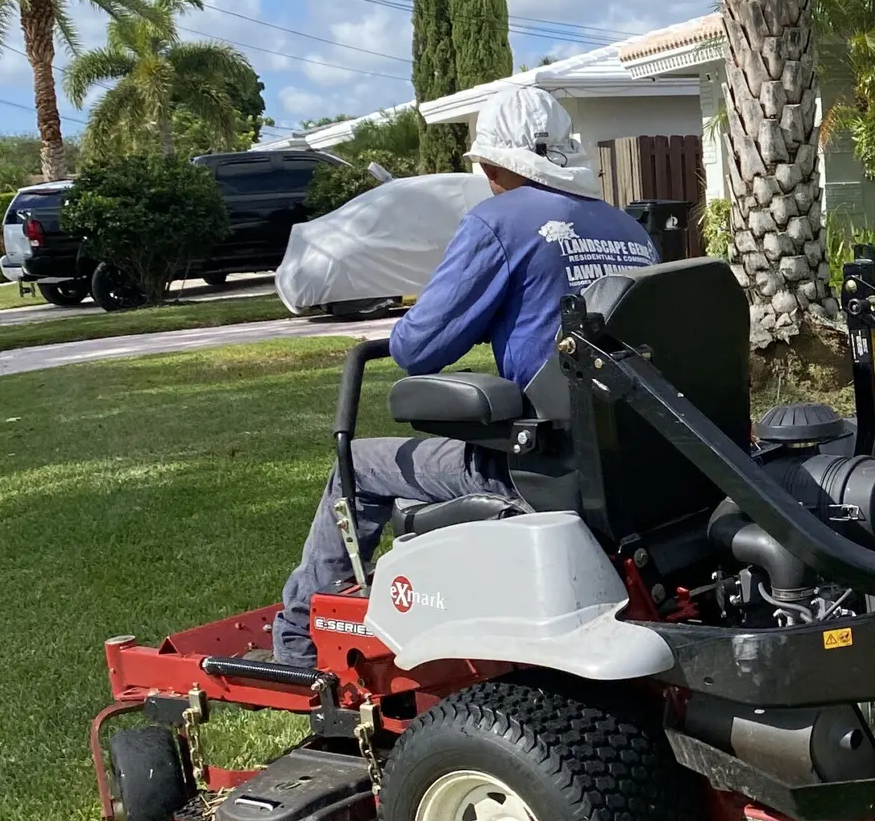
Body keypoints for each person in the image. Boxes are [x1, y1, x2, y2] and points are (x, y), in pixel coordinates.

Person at [273, 85, 659, 666]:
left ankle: (298, 647)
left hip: (543, 469)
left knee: (357, 463)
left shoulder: (499, 221)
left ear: (492, 163)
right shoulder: (629, 231)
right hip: (640, 463)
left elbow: (415, 348)